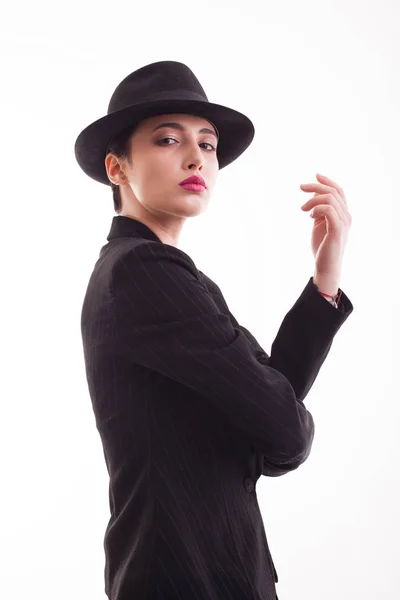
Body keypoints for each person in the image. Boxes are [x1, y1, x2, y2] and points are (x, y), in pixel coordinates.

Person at [75, 60, 354, 600]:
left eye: (207, 144)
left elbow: (274, 397)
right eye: (167, 139)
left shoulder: (171, 276)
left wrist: (326, 277)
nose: (195, 157)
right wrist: (280, 427)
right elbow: (284, 431)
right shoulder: (142, 273)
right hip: (182, 580)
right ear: (117, 168)